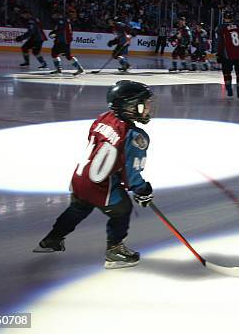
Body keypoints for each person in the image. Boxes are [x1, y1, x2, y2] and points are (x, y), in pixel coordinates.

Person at [33, 80, 156, 269]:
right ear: (129, 106)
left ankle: (51, 240)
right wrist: (142, 189)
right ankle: (114, 251)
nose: (148, 108)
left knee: (78, 208)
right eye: (144, 103)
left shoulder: (103, 118)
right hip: (101, 186)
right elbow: (132, 175)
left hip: (80, 179)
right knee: (122, 210)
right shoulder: (135, 136)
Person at [216, 11, 239, 99]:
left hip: (227, 55)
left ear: (224, 18)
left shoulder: (221, 28)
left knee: (227, 73)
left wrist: (219, 54)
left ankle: (229, 91)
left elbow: (220, 43)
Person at [49, 11, 84, 75]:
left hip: (64, 41)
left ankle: (80, 69)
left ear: (58, 14)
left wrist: (53, 34)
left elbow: (61, 30)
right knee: (54, 54)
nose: (53, 16)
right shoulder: (62, 20)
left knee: (68, 56)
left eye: (54, 14)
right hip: (60, 41)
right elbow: (59, 30)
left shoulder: (62, 20)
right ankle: (58, 69)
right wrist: (53, 33)